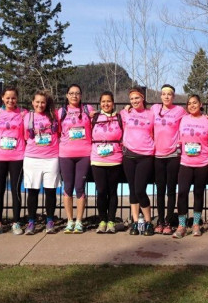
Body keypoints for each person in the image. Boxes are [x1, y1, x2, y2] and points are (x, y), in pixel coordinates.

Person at [0, 86, 27, 236]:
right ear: (2, 98)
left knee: (16, 190)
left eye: (13, 98)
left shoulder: (23, 114)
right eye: (8, 98)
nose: (11, 100)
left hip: (17, 156)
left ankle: (16, 222)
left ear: (17, 99)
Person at [173, 95, 208, 239]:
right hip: (185, 162)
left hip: (202, 162)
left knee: (198, 193)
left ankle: (196, 224)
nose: (192, 106)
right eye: (189, 103)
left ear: (200, 104)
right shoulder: (183, 119)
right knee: (182, 193)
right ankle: (182, 225)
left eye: (195, 103)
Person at [23, 90, 61, 235]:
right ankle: (31, 222)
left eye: (43, 102)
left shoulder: (54, 115)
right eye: (37, 102)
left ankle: (50, 221)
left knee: (50, 190)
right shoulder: (27, 116)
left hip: (51, 158)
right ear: (32, 102)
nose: (40, 104)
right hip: (32, 158)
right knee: (32, 191)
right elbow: (24, 135)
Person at [151, 84, 186, 235]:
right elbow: (138, 113)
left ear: (173, 96)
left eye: (169, 94)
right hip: (157, 156)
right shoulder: (154, 109)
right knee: (159, 190)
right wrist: (127, 107)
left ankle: (168, 222)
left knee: (171, 191)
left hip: (173, 156)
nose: (166, 96)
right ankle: (159, 220)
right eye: (163, 94)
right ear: (160, 96)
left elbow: (193, 117)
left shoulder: (179, 111)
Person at [59, 84, 94, 234]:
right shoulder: (61, 111)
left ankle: (79, 221)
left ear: (81, 95)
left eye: (77, 93)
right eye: (71, 93)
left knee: (79, 187)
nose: (74, 96)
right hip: (65, 154)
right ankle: (69, 221)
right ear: (67, 95)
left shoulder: (88, 110)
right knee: (67, 187)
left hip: (84, 154)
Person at [120, 87, 155, 236]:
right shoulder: (125, 113)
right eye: (132, 99)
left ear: (142, 99)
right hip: (129, 156)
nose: (134, 101)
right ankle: (135, 222)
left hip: (146, 156)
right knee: (132, 190)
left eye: (137, 98)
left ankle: (148, 222)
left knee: (140, 189)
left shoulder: (151, 114)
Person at [90, 91, 123, 234]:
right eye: (103, 101)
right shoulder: (95, 117)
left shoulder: (120, 117)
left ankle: (111, 221)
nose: (106, 104)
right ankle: (102, 220)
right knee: (101, 191)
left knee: (112, 191)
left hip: (115, 159)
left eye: (108, 101)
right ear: (100, 103)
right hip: (97, 160)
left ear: (113, 103)